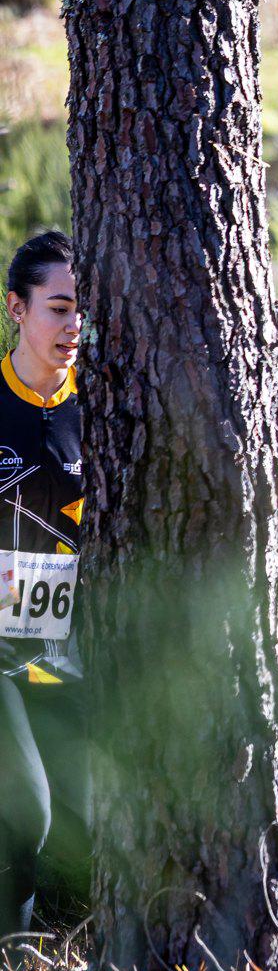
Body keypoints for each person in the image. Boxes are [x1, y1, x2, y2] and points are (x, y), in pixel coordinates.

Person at [0, 231, 86, 931]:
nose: (72, 325)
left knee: (84, 825)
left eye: (81, 310)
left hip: (65, 658)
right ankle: (13, 961)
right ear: (16, 310)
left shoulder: (102, 408)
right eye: (57, 308)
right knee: (27, 808)